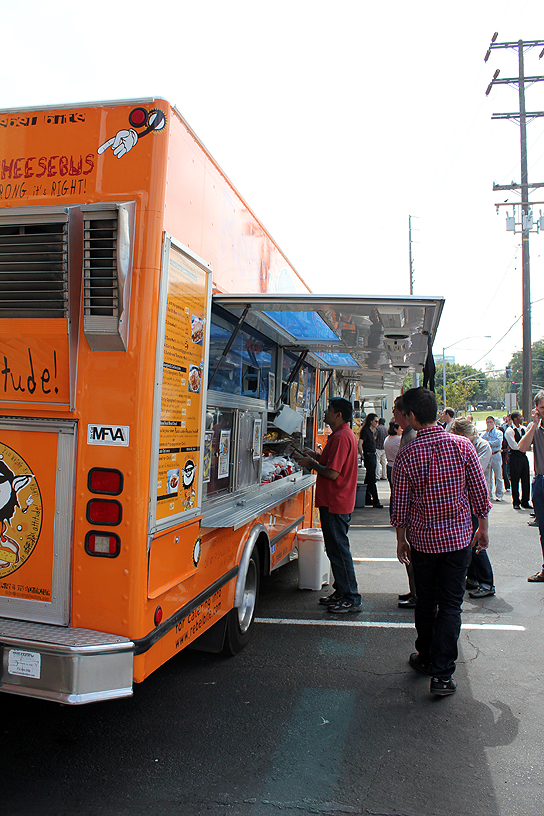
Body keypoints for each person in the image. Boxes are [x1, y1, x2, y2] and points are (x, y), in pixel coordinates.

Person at [391, 387, 491, 696]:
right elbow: (479, 492)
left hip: (423, 542)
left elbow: (400, 505)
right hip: (458, 541)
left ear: (411, 417)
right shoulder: (462, 446)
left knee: (427, 601)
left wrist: (401, 539)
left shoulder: (407, 453)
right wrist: (483, 527)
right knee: (451, 606)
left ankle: (426, 655)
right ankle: (443, 675)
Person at [295, 398, 361, 613]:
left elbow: (332, 473)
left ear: (338, 415)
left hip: (336, 502)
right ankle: (342, 591)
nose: (325, 413)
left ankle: (351, 596)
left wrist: (312, 464)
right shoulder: (341, 435)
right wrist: (316, 456)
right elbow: (331, 463)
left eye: (329, 410)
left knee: (339, 551)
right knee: (335, 550)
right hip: (335, 502)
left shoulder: (342, 436)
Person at [451, 417, 496, 598]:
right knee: (468, 540)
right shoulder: (465, 445)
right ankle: (474, 578)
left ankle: (487, 582)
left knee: (477, 539)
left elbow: (474, 470)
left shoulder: (482, 446)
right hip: (464, 499)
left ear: (464, 434)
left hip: (476, 499)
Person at [392, 395, 417, 609]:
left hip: (412, 508)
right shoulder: (406, 435)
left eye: (395, 411)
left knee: (412, 552)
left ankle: (418, 593)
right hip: (408, 508)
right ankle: (415, 590)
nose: (393, 415)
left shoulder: (412, 437)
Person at [518, 390, 544, 582]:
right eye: (542, 407)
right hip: (541, 480)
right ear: (536, 409)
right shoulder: (535, 428)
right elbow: (522, 447)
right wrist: (534, 425)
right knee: (543, 529)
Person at [504, 411, 532, 510]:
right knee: (515, 479)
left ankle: (525, 500)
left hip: (523, 456)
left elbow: (529, 441)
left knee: (525, 479)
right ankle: (516, 501)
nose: (522, 418)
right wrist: (524, 446)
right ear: (515, 419)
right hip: (514, 456)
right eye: (520, 416)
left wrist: (524, 446)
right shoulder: (509, 431)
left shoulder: (523, 429)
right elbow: (514, 445)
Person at [358, 413, 383, 508]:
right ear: (371, 421)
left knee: (369, 477)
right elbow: (360, 443)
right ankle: (375, 500)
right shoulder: (365, 431)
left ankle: (367, 498)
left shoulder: (370, 431)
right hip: (369, 455)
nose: (377, 423)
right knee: (371, 478)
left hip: (371, 455)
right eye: (376, 421)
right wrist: (362, 454)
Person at [481, 416, 505, 502]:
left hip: (496, 454)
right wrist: (487, 437)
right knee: (487, 476)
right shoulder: (484, 433)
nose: (489, 424)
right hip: (488, 455)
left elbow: (498, 442)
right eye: (488, 422)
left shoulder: (498, 433)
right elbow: (481, 442)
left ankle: (499, 494)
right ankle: (489, 494)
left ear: (494, 422)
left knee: (498, 475)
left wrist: (488, 442)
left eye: (491, 422)